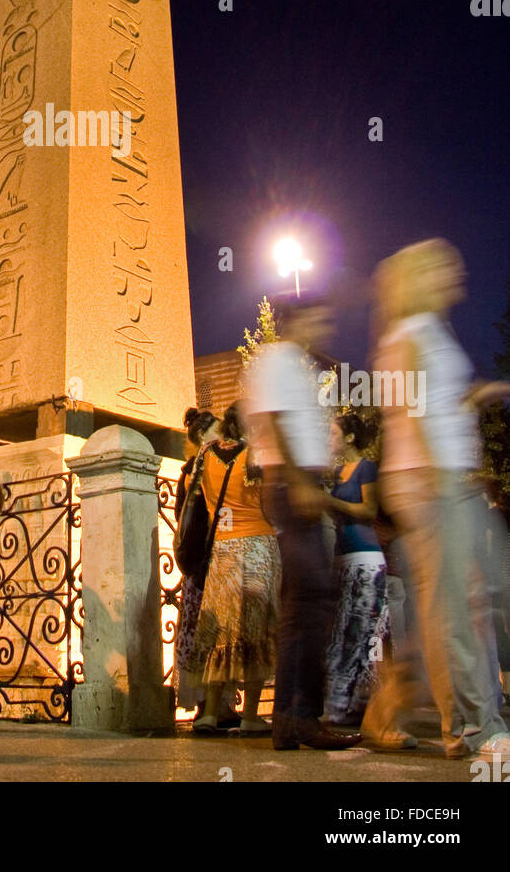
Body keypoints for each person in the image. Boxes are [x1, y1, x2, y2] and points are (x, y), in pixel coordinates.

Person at [361, 239, 510, 759]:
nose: (456, 275)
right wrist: (442, 482)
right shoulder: (407, 336)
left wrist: (478, 395)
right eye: (445, 267)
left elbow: (438, 402)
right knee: (455, 610)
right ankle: (474, 729)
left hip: (450, 478)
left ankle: (410, 713)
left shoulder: (431, 332)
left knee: (475, 600)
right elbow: (416, 412)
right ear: (420, 278)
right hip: (430, 479)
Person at [244, 296, 361, 751]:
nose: (324, 325)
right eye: (318, 317)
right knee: (312, 601)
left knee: (303, 604)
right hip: (293, 484)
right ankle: (300, 716)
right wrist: (299, 481)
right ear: (300, 320)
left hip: (297, 482)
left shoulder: (293, 362)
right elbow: (277, 421)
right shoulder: (277, 360)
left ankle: (291, 719)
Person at [185, 402, 281, 735]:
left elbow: (194, 499)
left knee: (220, 630)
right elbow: (271, 505)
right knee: (256, 629)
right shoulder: (256, 456)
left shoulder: (204, 457)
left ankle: (210, 712)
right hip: (257, 546)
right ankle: (251, 715)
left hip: (222, 549)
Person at [323, 412, 388, 725]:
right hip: (342, 557)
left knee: (363, 632)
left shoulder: (366, 468)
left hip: (366, 558)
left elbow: (369, 509)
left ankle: (364, 704)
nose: (329, 438)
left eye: (333, 433)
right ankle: (341, 704)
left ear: (349, 437)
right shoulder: (335, 472)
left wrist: (331, 503)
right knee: (342, 632)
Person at [173, 408, 218, 718]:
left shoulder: (197, 467)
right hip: (207, 560)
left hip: (204, 560)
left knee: (211, 630)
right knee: (207, 630)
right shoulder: (198, 469)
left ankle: (218, 703)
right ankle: (208, 705)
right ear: (203, 436)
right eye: (219, 430)